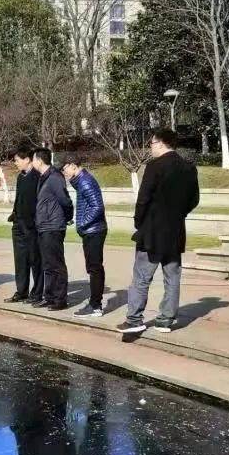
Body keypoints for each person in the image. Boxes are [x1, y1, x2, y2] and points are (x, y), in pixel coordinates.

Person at [116, 129, 200, 334]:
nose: (150, 147)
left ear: (161, 143)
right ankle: (166, 319)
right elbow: (194, 200)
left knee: (141, 277)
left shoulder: (154, 166)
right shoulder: (189, 168)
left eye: (152, 143)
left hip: (152, 231)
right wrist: (178, 214)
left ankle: (134, 319)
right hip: (175, 231)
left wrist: (139, 222)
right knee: (172, 276)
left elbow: (143, 198)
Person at [61, 153, 108, 318]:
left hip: (94, 230)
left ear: (73, 166)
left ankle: (95, 306)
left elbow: (98, 207)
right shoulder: (81, 180)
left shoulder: (86, 181)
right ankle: (95, 304)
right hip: (92, 230)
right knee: (93, 267)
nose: (64, 173)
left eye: (65, 169)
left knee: (95, 268)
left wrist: (82, 223)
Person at [32, 148, 74, 311]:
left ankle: (60, 299)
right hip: (43, 226)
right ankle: (49, 297)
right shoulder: (43, 177)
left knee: (56, 264)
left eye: (33, 159)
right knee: (47, 264)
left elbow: (65, 200)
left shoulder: (55, 177)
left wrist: (67, 217)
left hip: (53, 226)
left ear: (39, 161)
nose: (32, 162)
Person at [5, 149, 43, 304]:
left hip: (32, 225)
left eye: (17, 160)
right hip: (19, 223)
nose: (16, 163)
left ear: (27, 159)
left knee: (35, 259)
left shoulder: (37, 176)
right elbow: (19, 198)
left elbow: (39, 201)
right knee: (20, 260)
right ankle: (21, 291)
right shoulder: (21, 177)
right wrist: (14, 214)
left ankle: (37, 293)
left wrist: (35, 221)